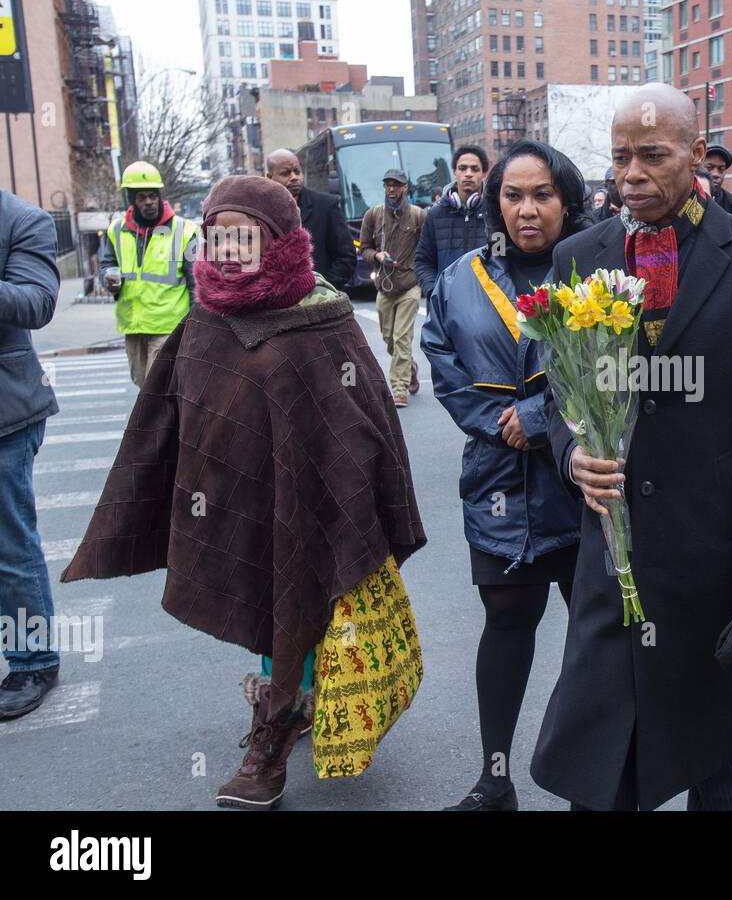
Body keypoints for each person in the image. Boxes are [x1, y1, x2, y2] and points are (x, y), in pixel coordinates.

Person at [62, 174, 426, 809]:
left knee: (302, 598)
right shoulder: (205, 316)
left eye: (244, 237)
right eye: (217, 236)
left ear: (280, 241)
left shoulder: (324, 317)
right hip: (233, 498)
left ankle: (273, 740)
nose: (228, 250)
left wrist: (368, 499)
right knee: (267, 603)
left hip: (312, 498)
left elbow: (367, 418)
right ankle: (285, 702)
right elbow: (164, 416)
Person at [529, 83, 732, 811]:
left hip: (717, 565)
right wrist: (572, 458)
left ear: (697, 154)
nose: (632, 174)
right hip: (611, 559)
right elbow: (547, 397)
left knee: (716, 754)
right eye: (622, 156)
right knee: (599, 767)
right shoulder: (580, 255)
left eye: (653, 156)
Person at [421, 140, 588, 811]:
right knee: (507, 620)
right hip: (497, 484)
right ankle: (495, 779)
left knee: (595, 639)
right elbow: (441, 358)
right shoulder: (460, 278)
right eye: (513, 195)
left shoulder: (598, 270)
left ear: (567, 200)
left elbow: (625, 369)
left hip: (585, 483)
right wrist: (499, 422)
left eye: (542, 194)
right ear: (494, 203)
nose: (527, 209)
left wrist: (540, 416)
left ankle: (592, 778)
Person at [0, 189, 61, 719]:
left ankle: (32, 661)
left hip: (6, 413)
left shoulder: (22, 220)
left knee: (9, 545)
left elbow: (36, 302)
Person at [99, 161, 201, 387]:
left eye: (152, 196)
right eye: (141, 197)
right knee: (141, 383)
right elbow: (107, 264)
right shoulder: (116, 230)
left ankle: (164, 423)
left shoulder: (184, 230)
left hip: (169, 325)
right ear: (131, 200)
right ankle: (162, 422)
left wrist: (197, 324)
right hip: (133, 325)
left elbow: (197, 282)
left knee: (158, 386)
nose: (148, 202)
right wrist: (108, 278)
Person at [360, 168, 427, 408]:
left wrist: (421, 275)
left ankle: (399, 389)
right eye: (387, 184)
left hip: (409, 285)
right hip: (385, 286)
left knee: (401, 338)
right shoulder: (374, 215)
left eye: (396, 185)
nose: (391, 189)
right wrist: (377, 255)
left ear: (405, 187)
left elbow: (427, 250)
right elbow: (364, 248)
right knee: (388, 338)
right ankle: (410, 369)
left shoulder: (419, 216)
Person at [265, 148, 357, 290]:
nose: (294, 177)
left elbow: (346, 257)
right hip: (277, 304)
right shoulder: (261, 212)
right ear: (269, 178)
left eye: (297, 171)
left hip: (319, 301)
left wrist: (323, 289)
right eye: (286, 173)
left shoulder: (326, 205)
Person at [414, 145, 490, 297]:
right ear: (455, 171)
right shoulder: (435, 214)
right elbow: (423, 262)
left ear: (483, 174)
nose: (468, 174)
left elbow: (502, 259)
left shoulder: (496, 214)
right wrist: (434, 292)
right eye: (463, 168)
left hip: (486, 302)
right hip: (444, 306)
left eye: (475, 169)